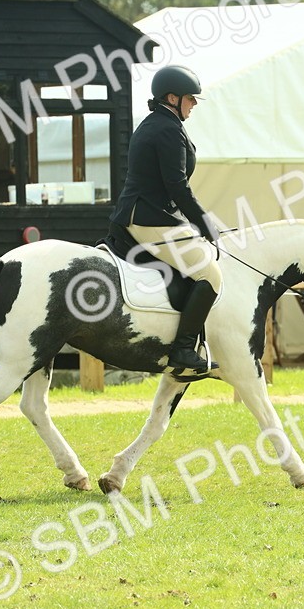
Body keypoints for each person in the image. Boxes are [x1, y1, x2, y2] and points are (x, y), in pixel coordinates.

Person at [110, 65, 222, 377]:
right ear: (172, 97)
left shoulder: (155, 123)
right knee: (210, 275)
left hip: (143, 213)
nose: (194, 104)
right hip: (150, 218)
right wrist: (205, 224)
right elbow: (178, 188)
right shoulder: (168, 130)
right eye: (190, 98)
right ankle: (183, 349)